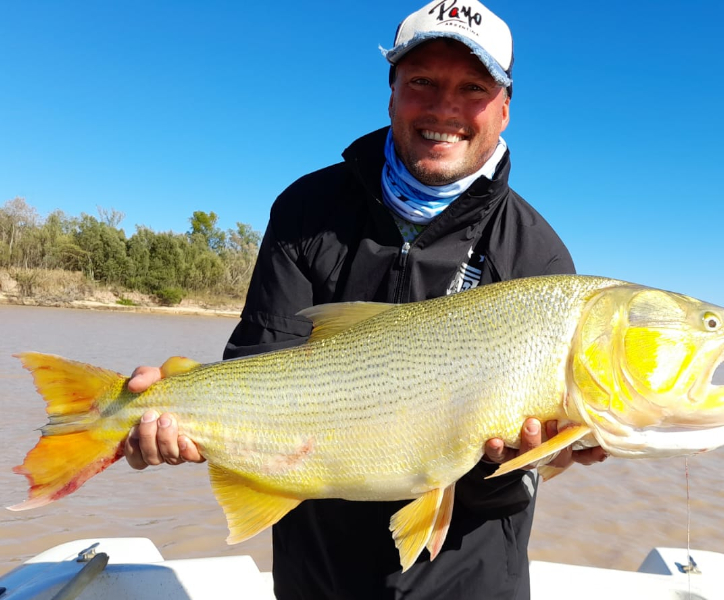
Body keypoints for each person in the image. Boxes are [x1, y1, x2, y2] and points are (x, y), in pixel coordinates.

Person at [124, 1, 606, 598]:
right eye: (422, 82)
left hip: (468, 575)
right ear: (392, 91)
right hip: (316, 569)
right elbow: (259, 364)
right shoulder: (306, 209)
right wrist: (184, 417)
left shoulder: (540, 260)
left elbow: (536, 473)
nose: (444, 108)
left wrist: (541, 456)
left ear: (504, 108)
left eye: (472, 87)